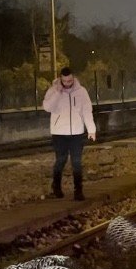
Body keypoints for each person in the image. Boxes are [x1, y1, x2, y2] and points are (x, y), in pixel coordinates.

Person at [42, 67, 97, 200]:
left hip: (76, 133)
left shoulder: (81, 92)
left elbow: (87, 111)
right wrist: (57, 93)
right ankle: (56, 187)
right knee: (61, 160)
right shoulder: (53, 90)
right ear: (60, 79)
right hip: (59, 133)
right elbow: (47, 107)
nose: (68, 83)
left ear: (73, 78)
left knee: (77, 162)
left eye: (70, 80)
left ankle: (78, 191)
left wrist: (91, 130)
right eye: (65, 81)